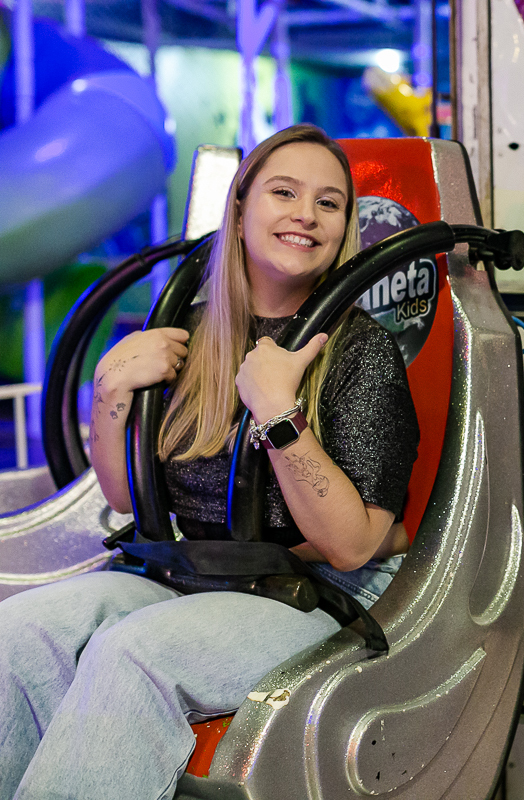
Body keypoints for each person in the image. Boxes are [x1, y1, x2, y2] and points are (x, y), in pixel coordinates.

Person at [0, 124, 419, 799]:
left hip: (310, 593)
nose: (306, 215)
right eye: (285, 193)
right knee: (17, 633)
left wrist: (280, 417)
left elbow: (352, 544)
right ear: (240, 209)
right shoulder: (191, 331)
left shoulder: (360, 352)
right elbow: (130, 498)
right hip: (193, 571)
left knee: (132, 654)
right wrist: (109, 393)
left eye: (329, 203)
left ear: (345, 229)